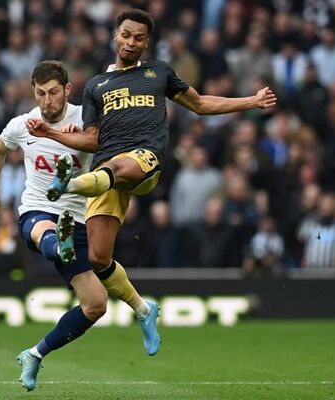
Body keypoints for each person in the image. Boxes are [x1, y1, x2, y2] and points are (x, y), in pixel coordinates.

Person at [26, 8, 276, 327]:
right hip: (105, 173)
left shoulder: (159, 73)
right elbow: (91, 139)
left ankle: (69, 184)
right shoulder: (95, 85)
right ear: (115, 36)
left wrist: (251, 101)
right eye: (126, 35)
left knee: (116, 167)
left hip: (145, 160)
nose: (131, 42)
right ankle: (144, 310)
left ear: (147, 44)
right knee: (98, 258)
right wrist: (50, 132)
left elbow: (199, 104)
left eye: (139, 38)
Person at [0, 60, 159, 392]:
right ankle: (56, 243)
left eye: (54, 92)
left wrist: (80, 136)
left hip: (77, 218)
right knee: (41, 228)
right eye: (40, 93)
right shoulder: (22, 124)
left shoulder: (85, 120)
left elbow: (104, 144)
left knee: (95, 305)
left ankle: (34, 353)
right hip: (37, 209)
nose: (47, 101)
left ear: (67, 90)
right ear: (33, 92)